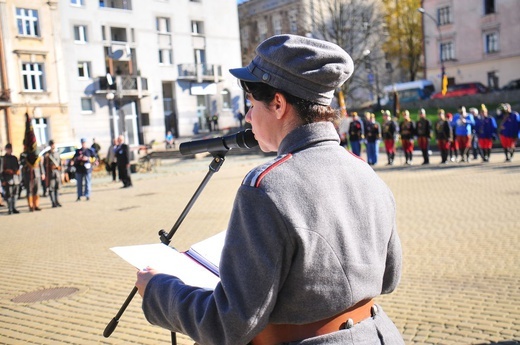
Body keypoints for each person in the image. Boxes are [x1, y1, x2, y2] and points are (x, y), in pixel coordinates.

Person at [136, 34, 403, 345]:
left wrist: (159, 290)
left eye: (251, 103)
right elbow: (388, 278)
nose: (248, 117)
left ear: (277, 103)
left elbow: (230, 323)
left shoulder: (267, 186)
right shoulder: (366, 171)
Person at [1, 143, 21, 214]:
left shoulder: (14, 158)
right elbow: (1, 171)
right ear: (6, 149)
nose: (10, 150)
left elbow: (18, 168)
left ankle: (14, 207)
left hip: (15, 179)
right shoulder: (3, 159)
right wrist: (2, 180)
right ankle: (10, 208)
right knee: (8, 194)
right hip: (7, 179)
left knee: (15, 194)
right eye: (8, 149)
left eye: (11, 148)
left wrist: (18, 174)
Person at [43, 140, 62, 207]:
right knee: (51, 188)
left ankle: (57, 201)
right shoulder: (47, 155)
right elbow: (45, 165)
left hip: (57, 173)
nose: (53, 146)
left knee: (57, 188)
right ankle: (53, 202)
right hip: (50, 174)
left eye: (53, 144)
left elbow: (60, 164)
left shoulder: (57, 153)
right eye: (51, 145)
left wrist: (60, 170)